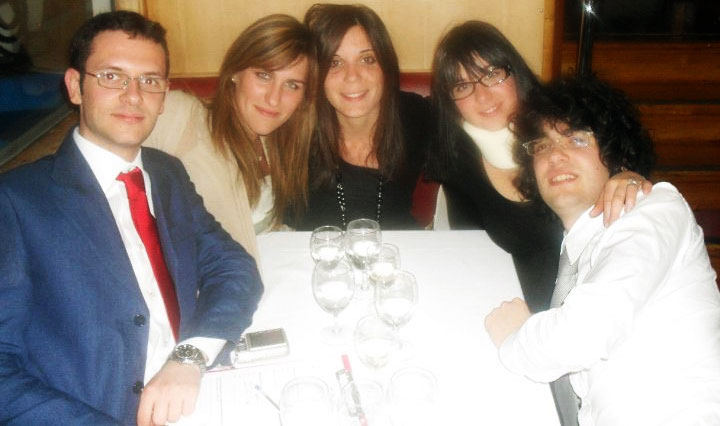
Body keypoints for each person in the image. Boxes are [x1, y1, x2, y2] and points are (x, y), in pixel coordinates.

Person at [0, 11, 263, 425]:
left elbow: (234, 268)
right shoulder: (16, 202)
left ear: (164, 96)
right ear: (75, 86)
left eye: (150, 80)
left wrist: (189, 357)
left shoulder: (167, 172)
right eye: (112, 76)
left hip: (198, 393)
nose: (134, 95)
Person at [484, 76, 720, 426]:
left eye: (577, 139)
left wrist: (515, 337)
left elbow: (583, 334)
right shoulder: (572, 247)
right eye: (542, 145)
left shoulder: (653, 209)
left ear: (616, 156)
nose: (555, 155)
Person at [428, 21, 651, 312]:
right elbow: (468, 256)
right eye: (462, 85)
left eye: (492, 74)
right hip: (521, 314)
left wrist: (629, 174)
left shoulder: (565, 119)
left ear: (514, 72)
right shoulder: (457, 158)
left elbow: (626, 148)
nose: (482, 96)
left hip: (606, 307)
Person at [145, 14, 317, 256]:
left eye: (292, 85)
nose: (274, 98)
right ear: (235, 71)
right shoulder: (183, 116)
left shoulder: (280, 141)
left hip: (271, 264)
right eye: (264, 75)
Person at [292, 3, 434, 230]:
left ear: (385, 66)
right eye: (335, 63)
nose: (352, 77)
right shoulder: (294, 128)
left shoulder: (416, 116)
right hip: (312, 250)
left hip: (401, 248)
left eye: (367, 59)